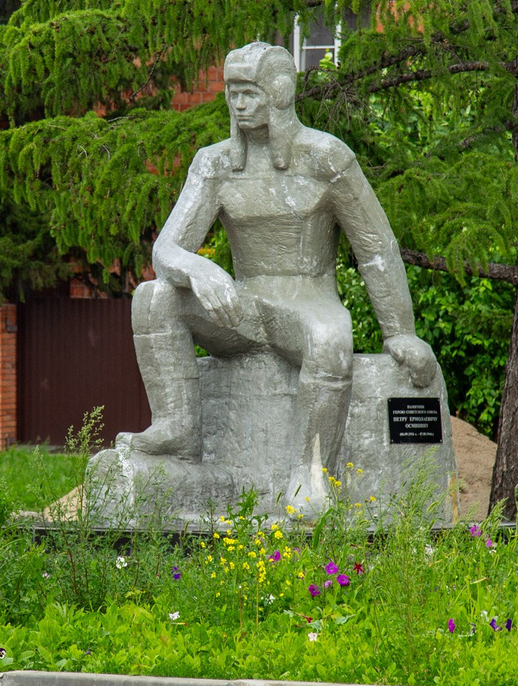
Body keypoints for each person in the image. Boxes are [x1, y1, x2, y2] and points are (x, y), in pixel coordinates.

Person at [128, 40, 437, 514]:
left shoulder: (326, 158)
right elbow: (166, 248)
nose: (238, 104)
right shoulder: (215, 163)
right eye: (232, 93)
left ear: (279, 93)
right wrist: (199, 269)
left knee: (330, 338)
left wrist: (400, 332)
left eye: (249, 93)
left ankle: (308, 476)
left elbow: (375, 248)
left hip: (308, 304)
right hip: (245, 308)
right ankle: (177, 427)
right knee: (153, 298)